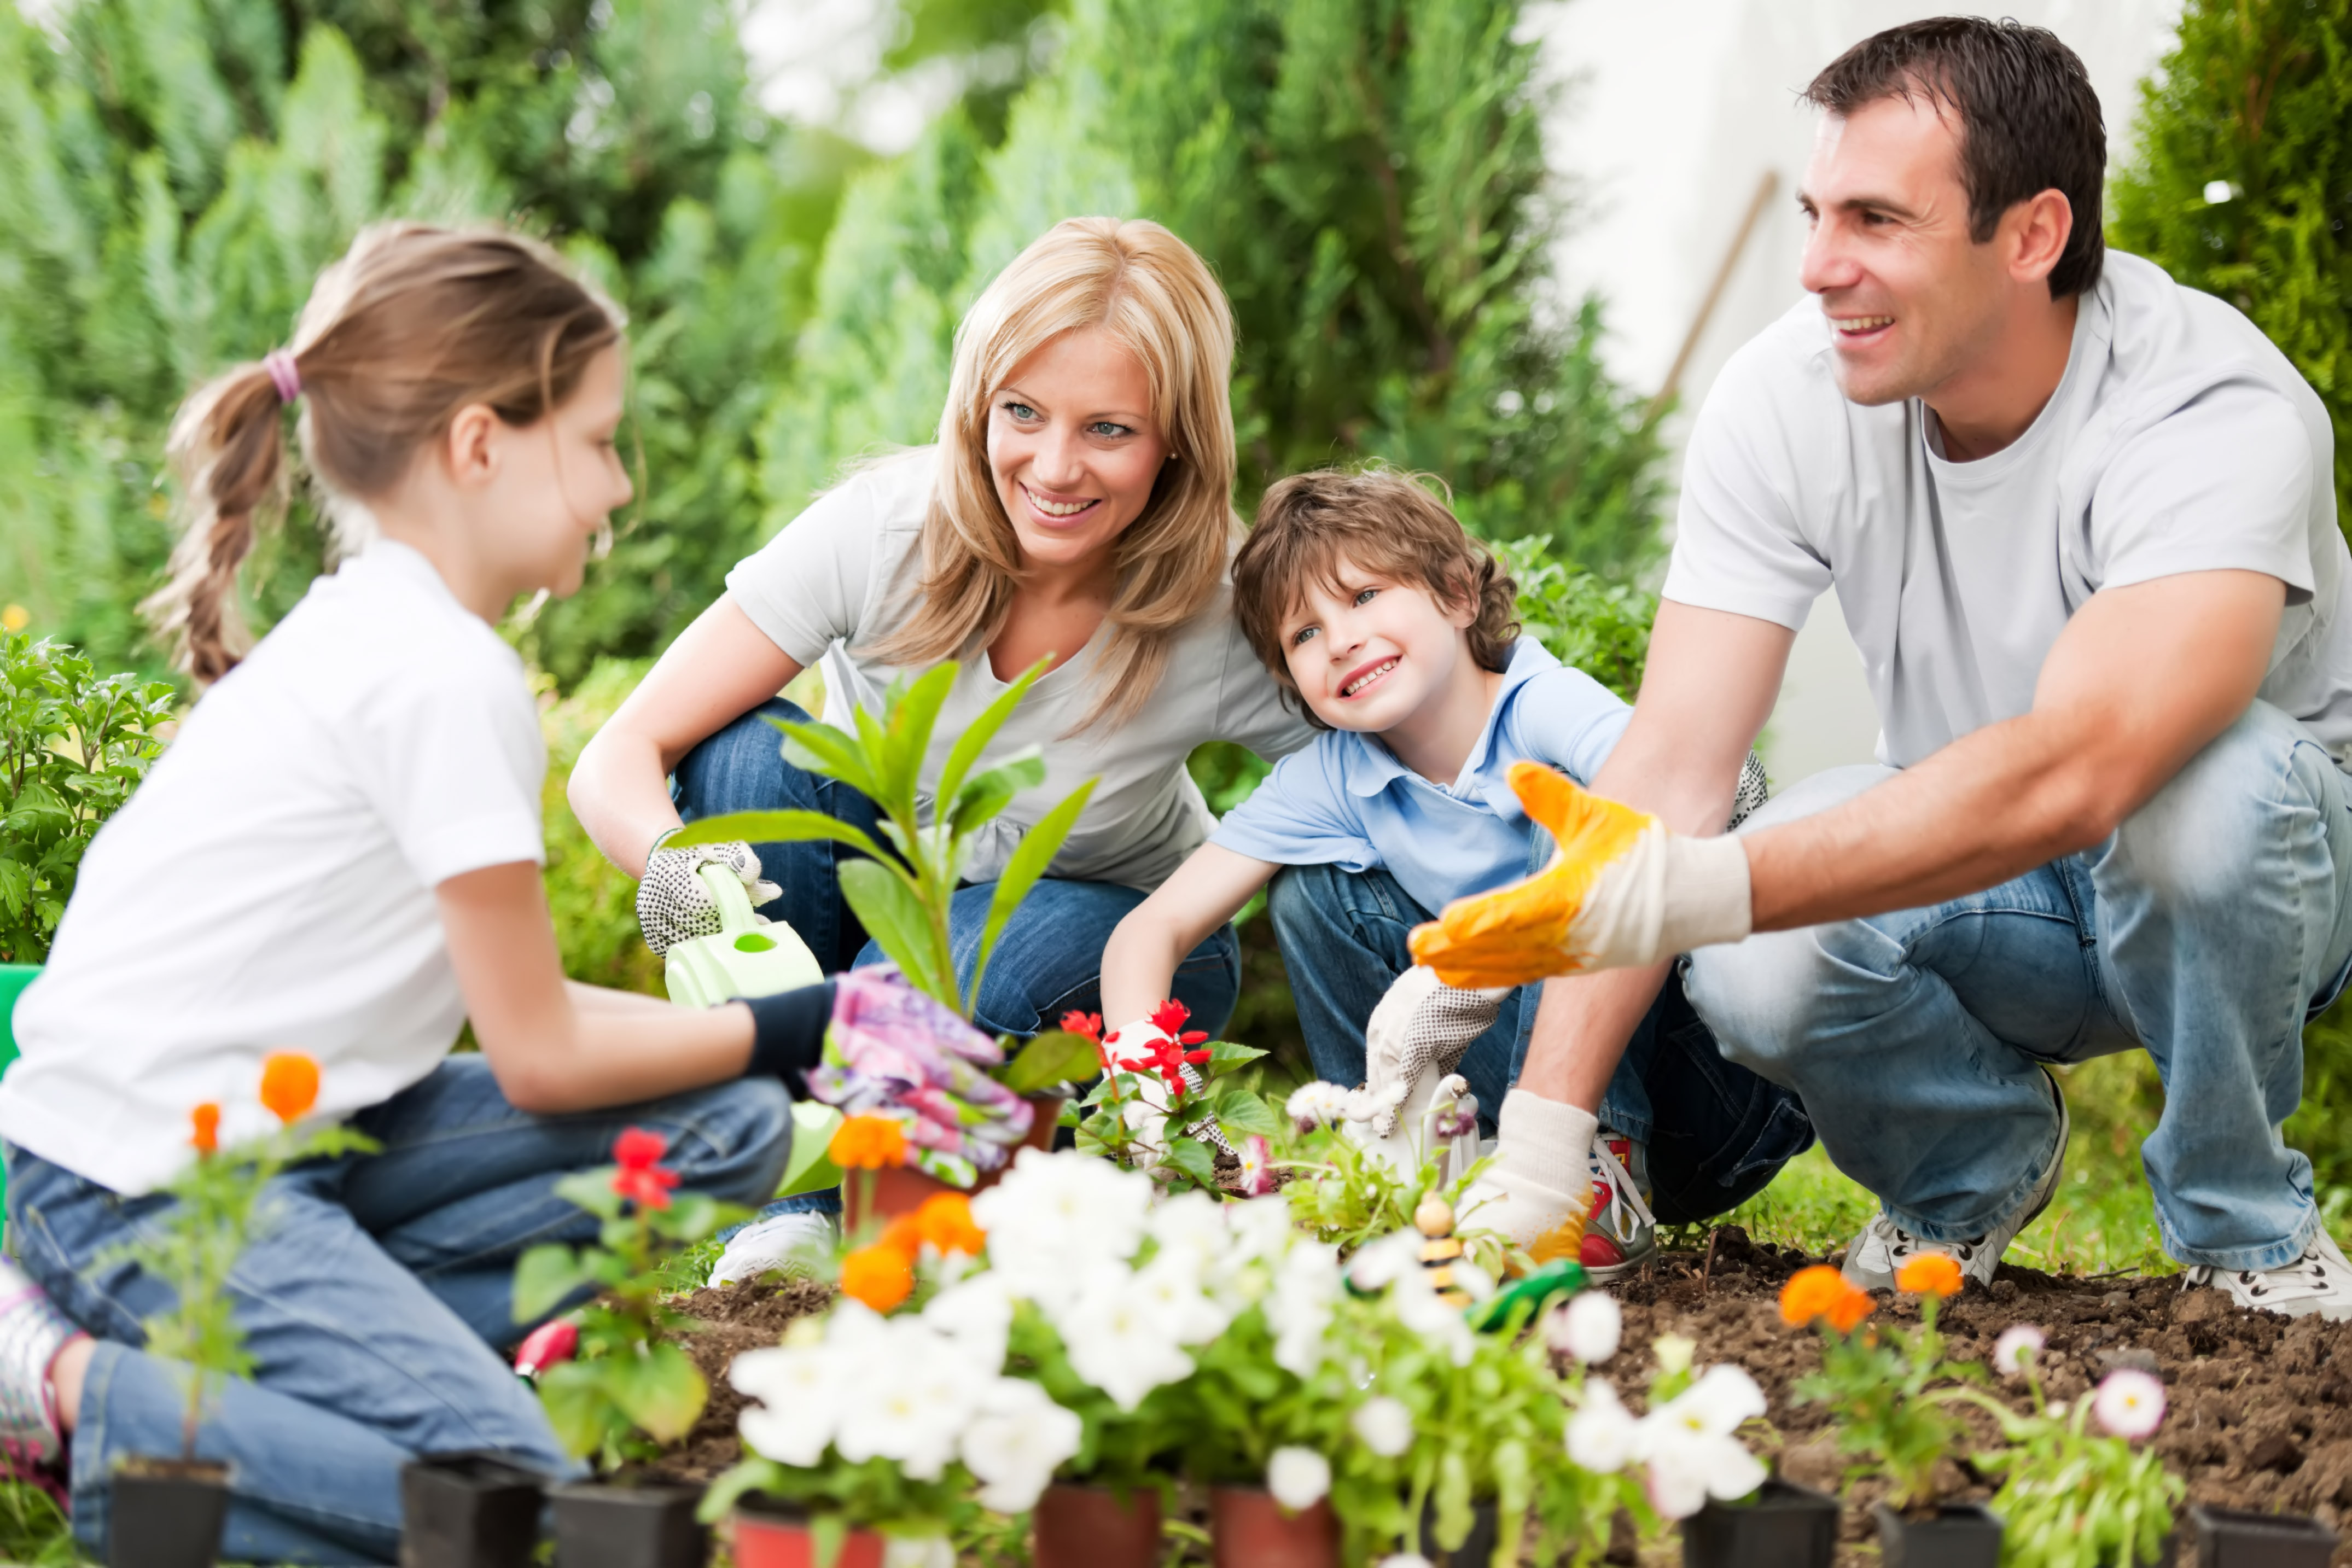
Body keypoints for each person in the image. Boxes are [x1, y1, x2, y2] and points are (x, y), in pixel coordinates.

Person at [0, 225, 961, 1563]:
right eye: (598, 440)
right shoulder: (438, 677)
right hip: (137, 1187)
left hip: (296, 1144)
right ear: (478, 444)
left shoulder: (384, 633)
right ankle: (65, 1385)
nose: (618, 486)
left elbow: (529, 1010)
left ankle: (322, 1375)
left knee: (726, 1131)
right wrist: (824, 1028)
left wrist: (812, 1030)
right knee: (505, 1494)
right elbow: (540, 1056)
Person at [1410, 18, 2352, 1320]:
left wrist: (1702, 885)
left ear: (2029, 236)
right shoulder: (1788, 398)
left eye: (1872, 220)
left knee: (2204, 799)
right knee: (1754, 959)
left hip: (2250, 874)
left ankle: (2243, 1231)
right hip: (1988, 881)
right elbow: (1673, 766)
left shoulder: (2208, 410)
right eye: (1813, 213)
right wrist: (1539, 1142)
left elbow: (2090, 766)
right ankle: (1964, 1171)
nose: (1815, 267)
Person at [568, 217, 1314, 1285]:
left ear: (1178, 440)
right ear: (976, 408)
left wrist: (1195, 903)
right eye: (1022, 414)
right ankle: (794, 1217)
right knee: (744, 759)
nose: (1053, 468)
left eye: (1107, 430)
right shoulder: (884, 532)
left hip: (1108, 938)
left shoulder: (1217, 605)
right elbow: (620, 752)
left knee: (939, 972)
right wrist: (670, 865)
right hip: (898, 904)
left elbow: (1353, 771)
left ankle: (872, 1190)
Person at [1099, 467, 1808, 1274]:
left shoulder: (1541, 704)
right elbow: (1148, 931)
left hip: (1707, 1097)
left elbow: (1685, 801)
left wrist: (1480, 970)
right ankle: (1400, 1166)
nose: (1340, 640)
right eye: (1303, 634)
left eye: (1365, 596)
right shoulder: (1336, 775)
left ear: (1458, 595)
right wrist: (1151, 1091)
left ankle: (1592, 1169)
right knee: (1310, 894)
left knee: (1585, 817)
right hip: (1516, 1106)